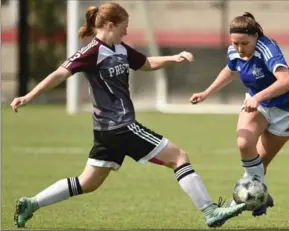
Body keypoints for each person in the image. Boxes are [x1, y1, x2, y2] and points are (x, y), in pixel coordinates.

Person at [11, 3, 246, 229]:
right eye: (124, 24)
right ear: (110, 25)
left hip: (107, 132)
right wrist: (29, 96)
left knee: (88, 182)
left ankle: (31, 203)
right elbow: (59, 74)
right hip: (120, 126)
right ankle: (210, 211)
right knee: (179, 157)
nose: (127, 29)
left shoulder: (120, 48)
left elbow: (146, 63)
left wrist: (173, 59)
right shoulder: (91, 52)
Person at [190, 12, 289, 217]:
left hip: (285, 110)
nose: (239, 48)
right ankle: (239, 203)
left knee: (260, 166)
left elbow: (286, 81)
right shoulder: (234, 51)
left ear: (255, 37)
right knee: (244, 144)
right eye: (235, 43)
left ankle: (257, 199)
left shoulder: (267, 49)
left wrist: (257, 97)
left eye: (244, 43)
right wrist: (207, 92)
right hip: (257, 105)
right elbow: (231, 69)